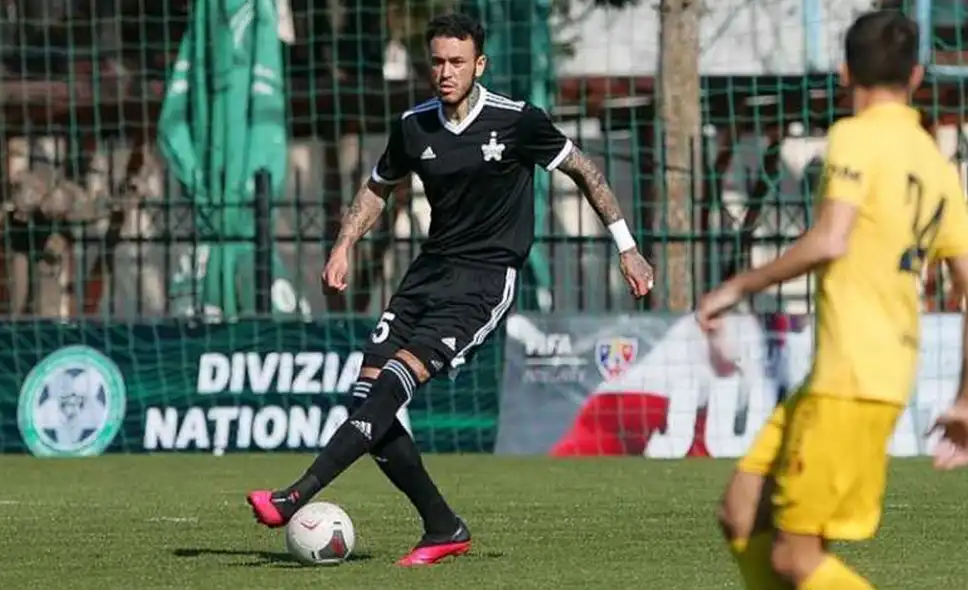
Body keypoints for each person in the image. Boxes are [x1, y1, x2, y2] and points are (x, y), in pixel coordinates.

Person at [246, 12, 654, 566]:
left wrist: (626, 245)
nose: (445, 71)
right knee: (367, 398)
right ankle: (442, 526)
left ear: (478, 65)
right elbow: (376, 188)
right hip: (428, 274)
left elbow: (586, 171)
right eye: (437, 61)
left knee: (392, 384)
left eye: (457, 62)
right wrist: (344, 244)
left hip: (484, 281)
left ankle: (295, 495)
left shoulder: (517, 121)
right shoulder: (414, 126)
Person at [697, 10, 968, 590]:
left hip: (852, 379)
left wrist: (737, 285)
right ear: (917, 76)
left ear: (845, 73)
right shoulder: (937, 165)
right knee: (741, 514)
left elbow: (830, 239)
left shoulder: (854, 137)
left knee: (796, 559)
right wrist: (966, 399)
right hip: (853, 378)